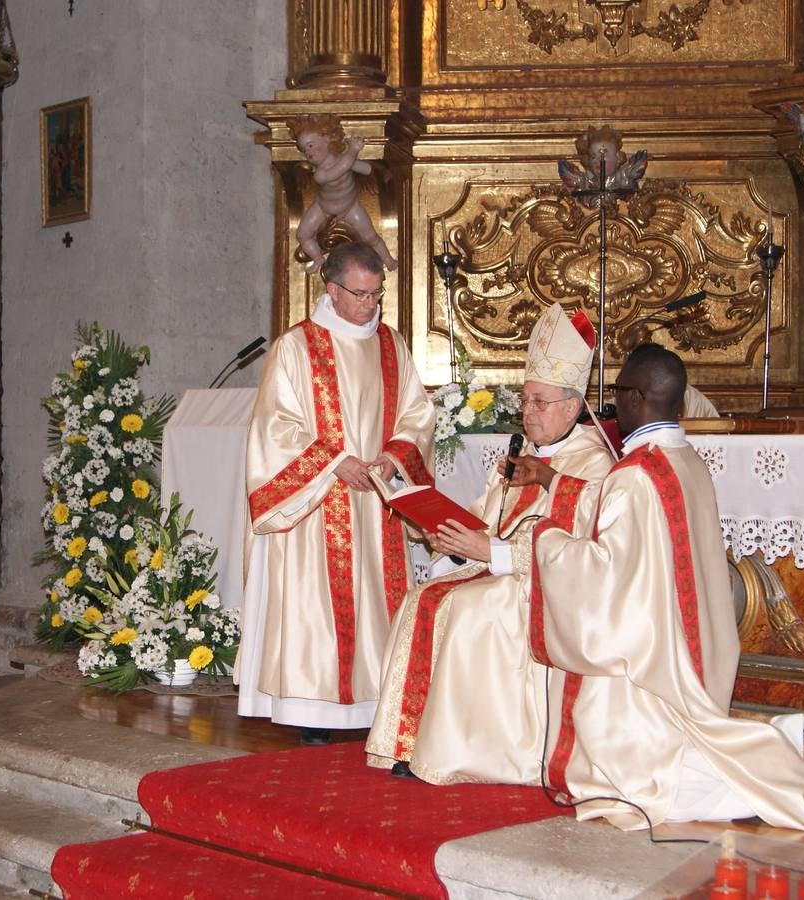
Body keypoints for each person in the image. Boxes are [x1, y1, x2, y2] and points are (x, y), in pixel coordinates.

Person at [530, 344, 804, 831]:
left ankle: (779, 759)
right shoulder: (684, 459)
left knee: (631, 781)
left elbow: (604, 576)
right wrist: (554, 482)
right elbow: (618, 515)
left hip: (649, 680)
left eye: (618, 392)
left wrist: (545, 539)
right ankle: (777, 752)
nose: (613, 403)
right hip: (696, 654)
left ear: (637, 397)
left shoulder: (634, 476)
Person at [366, 302, 615, 780]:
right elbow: (485, 520)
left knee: (469, 609)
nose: (528, 412)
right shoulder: (519, 455)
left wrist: (495, 553)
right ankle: (409, 744)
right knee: (422, 599)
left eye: (540, 403)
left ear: (572, 406)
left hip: (543, 589)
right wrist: (442, 532)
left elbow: (581, 547)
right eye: (525, 400)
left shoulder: (593, 465)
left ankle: (460, 751)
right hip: (498, 569)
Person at [238, 241, 434, 744]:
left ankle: (377, 704)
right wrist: (333, 463)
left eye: (377, 294)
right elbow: (275, 427)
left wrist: (393, 456)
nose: (370, 305)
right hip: (319, 502)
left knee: (377, 599)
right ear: (332, 289)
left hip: (376, 500)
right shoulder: (296, 346)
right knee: (316, 607)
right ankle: (312, 709)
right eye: (361, 294)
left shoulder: (391, 345)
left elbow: (417, 414)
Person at [289, 114, 399, 273]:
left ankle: (388, 260)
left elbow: (365, 169)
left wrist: (380, 171)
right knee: (302, 235)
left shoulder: (344, 160)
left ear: (326, 138)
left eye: (310, 145)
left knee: (370, 237)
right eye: (304, 150)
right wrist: (353, 150)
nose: (308, 152)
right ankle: (318, 259)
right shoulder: (320, 174)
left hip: (350, 205)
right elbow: (340, 169)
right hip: (323, 207)